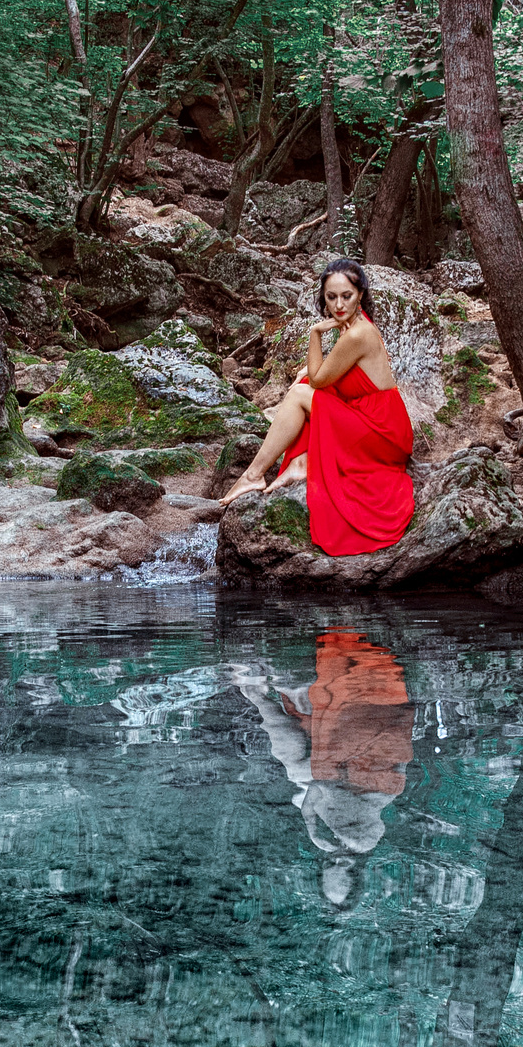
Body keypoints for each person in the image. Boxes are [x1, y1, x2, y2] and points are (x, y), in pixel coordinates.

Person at [218, 259, 415, 556]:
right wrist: (309, 374)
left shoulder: (357, 334)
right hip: (376, 421)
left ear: (360, 293)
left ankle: (254, 475)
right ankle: (300, 463)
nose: (338, 305)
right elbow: (335, 378)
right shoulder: (353, 326)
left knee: (300, 394)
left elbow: (322, 379)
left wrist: (315, 333)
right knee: (305, 383)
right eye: (331, 297)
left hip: (382, 432)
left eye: (346, 296)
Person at [228, 629, 415, 904]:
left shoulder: (339, 821)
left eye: (330, 865)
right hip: (361, 698)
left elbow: (321, 787)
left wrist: (313, 820)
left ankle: (256, 691)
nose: (338, 857)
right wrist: (312, 825)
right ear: (360, 867)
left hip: (323, 712)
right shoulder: (367, 831)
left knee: (299, 764)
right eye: (347, 866)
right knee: (301, 767)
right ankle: (255, 693)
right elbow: (327, 786)